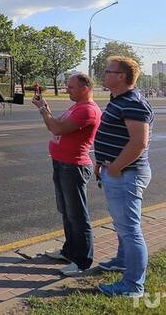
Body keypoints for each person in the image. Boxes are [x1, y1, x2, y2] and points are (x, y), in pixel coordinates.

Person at [94, 56, 154, 297]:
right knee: (122, 225)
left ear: (121, 77)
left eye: (108, 71)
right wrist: (102, 161)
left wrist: (116, 167)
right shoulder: (119, 99)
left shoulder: (133, 103)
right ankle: (121, 260)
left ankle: (133, 285)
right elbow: (115, 135)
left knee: (130, 230)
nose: (104, 74)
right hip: (117, 170)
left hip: (127, 174)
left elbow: (139, 142)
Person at [32, 73, 101, 276]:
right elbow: (53, 125)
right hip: (62, 164)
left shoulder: (88, 110)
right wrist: (45, 109)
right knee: (67, 212)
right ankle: (69, 252)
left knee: (78, 215)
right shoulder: (76, 106)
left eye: (70, 87)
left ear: (85, 88)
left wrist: (43, 110)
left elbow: (57, 127)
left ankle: (82, 262)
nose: (66, 90)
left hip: (74, 167)